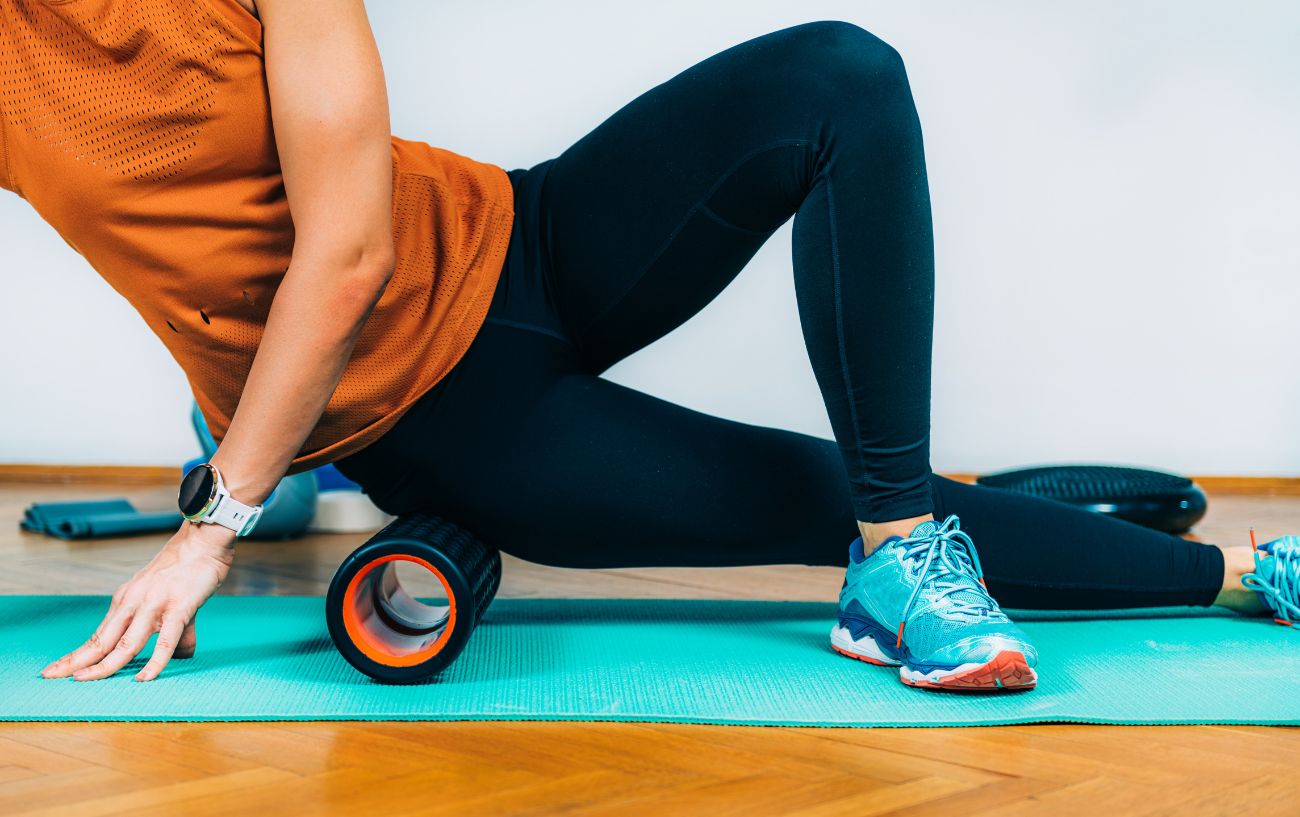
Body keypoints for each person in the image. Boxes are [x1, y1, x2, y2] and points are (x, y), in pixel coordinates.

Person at [5, 1, 1291, 691]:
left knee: (837, 74)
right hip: (434, 425)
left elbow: (349, 252)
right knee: (809, 497)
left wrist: (208, 524)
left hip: (521, 233)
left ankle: (902, 563)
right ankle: (1241, 572)